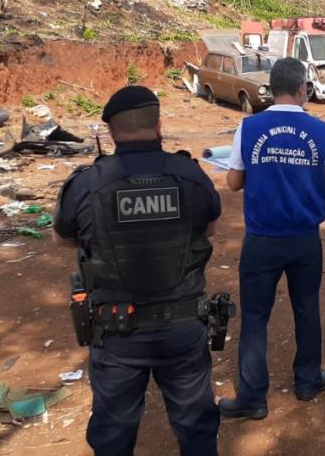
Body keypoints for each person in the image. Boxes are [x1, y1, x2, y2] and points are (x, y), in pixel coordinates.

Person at [53, 85, 221, 455]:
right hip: (182, 327)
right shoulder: (191, 176)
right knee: (197, 430)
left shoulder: (87, 184)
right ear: (158, 125)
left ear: (111, 131)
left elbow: (63, 239)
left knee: (113, 435)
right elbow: (209, 228)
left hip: (117, 330)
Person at [220, 57, 325, 419]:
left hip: (261, 239)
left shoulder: (249, 127)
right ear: (303, 88)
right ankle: (307, 381)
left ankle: (252, 398)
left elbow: (233, 182)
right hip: (304, 239)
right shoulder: (321, 130)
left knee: (255, 318)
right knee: (307, 310)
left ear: (272, 88)